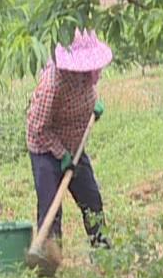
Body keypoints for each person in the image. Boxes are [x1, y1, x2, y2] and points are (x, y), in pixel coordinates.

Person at [27, 29, 112, 256]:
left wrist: (94, 111)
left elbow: (86, 99)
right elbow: (37, 128)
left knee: (91, 199)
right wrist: (60, 153)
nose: (96, 73)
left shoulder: (86, 77)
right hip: (45, 149)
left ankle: (103, 252)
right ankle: (48, 259)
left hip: (75, 147)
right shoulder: (52, 84)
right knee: (51, 208)